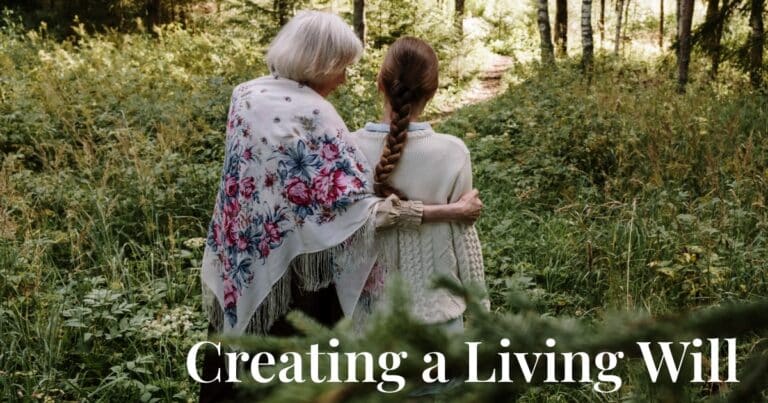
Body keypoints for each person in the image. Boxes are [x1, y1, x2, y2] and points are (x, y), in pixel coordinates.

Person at [198, 12, 482, 402]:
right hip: (297, 278)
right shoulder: (318, 116)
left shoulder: (246, 95)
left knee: (241, 375)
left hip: (244, 259)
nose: (346, 78)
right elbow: (358, 211)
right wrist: (446, 212)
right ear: (319, 64)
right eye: (343, 68)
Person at [352, 37, 490, 334]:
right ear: (433, 91)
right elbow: (463, 236)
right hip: (438, 318)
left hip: (364, 316)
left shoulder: (346, 149)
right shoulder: (453, 153)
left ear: (380, 82)